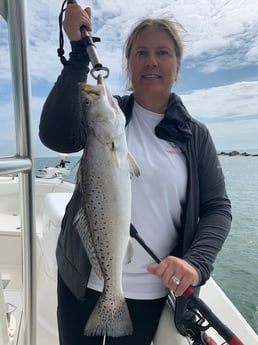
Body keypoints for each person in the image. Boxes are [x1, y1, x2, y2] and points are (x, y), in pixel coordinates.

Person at [39, 3, 232, 345]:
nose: (151, 61)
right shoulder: (105, 118)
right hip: (80, 283)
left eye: (162, 52)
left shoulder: (195, 136)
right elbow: (54, 135)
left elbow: (217, 208)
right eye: (141, 52)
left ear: (177, 65)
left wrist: (197, 264)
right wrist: (79, 54)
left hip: (149, 290)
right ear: (128, 64)